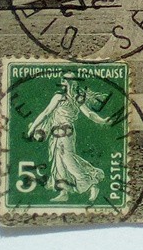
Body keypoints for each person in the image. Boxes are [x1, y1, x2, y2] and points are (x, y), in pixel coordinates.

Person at [26, 73, 110, 203]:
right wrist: (102, 121)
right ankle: (63, 192)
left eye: (68, 80)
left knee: (68, 159)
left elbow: (89, 114)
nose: (66, 82)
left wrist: (102, 121)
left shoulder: (74, 98)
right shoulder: (62, 97)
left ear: (72, 82)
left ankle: (90, 184)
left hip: (65, 132)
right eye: (65, 80)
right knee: (58, 161)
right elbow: (46, 112)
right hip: (56, 133)